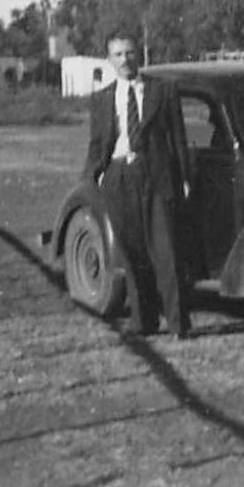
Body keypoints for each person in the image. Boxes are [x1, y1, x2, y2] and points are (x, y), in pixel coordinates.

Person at [82, 32, 191, 338]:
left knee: (165, 249)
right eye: (118, 54)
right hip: (118, 177)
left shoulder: (163, 91)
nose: (125, 59)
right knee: (132, 253)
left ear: (138, 55)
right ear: (109, 60)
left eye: (129, 53)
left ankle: (179, 324)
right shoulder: (102, 99)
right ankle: (143, 323)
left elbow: (178, 137)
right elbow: (97, 143)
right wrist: (96, 176)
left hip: (156, 175)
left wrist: (184, 177)